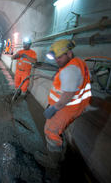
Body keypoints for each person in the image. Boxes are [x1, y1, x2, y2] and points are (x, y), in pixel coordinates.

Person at [34, 39, 92, 169]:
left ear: (69, 54)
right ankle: (59, 147)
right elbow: (90, 79)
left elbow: (68, 94)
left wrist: (54, 108)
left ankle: (52, 161)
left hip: (65, 108)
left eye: (60, 57)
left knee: (50, 130)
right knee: (59, 130)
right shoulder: (81, 63)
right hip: (79, 107)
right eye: (55, 58)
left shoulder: (69, 70)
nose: (57, 60)